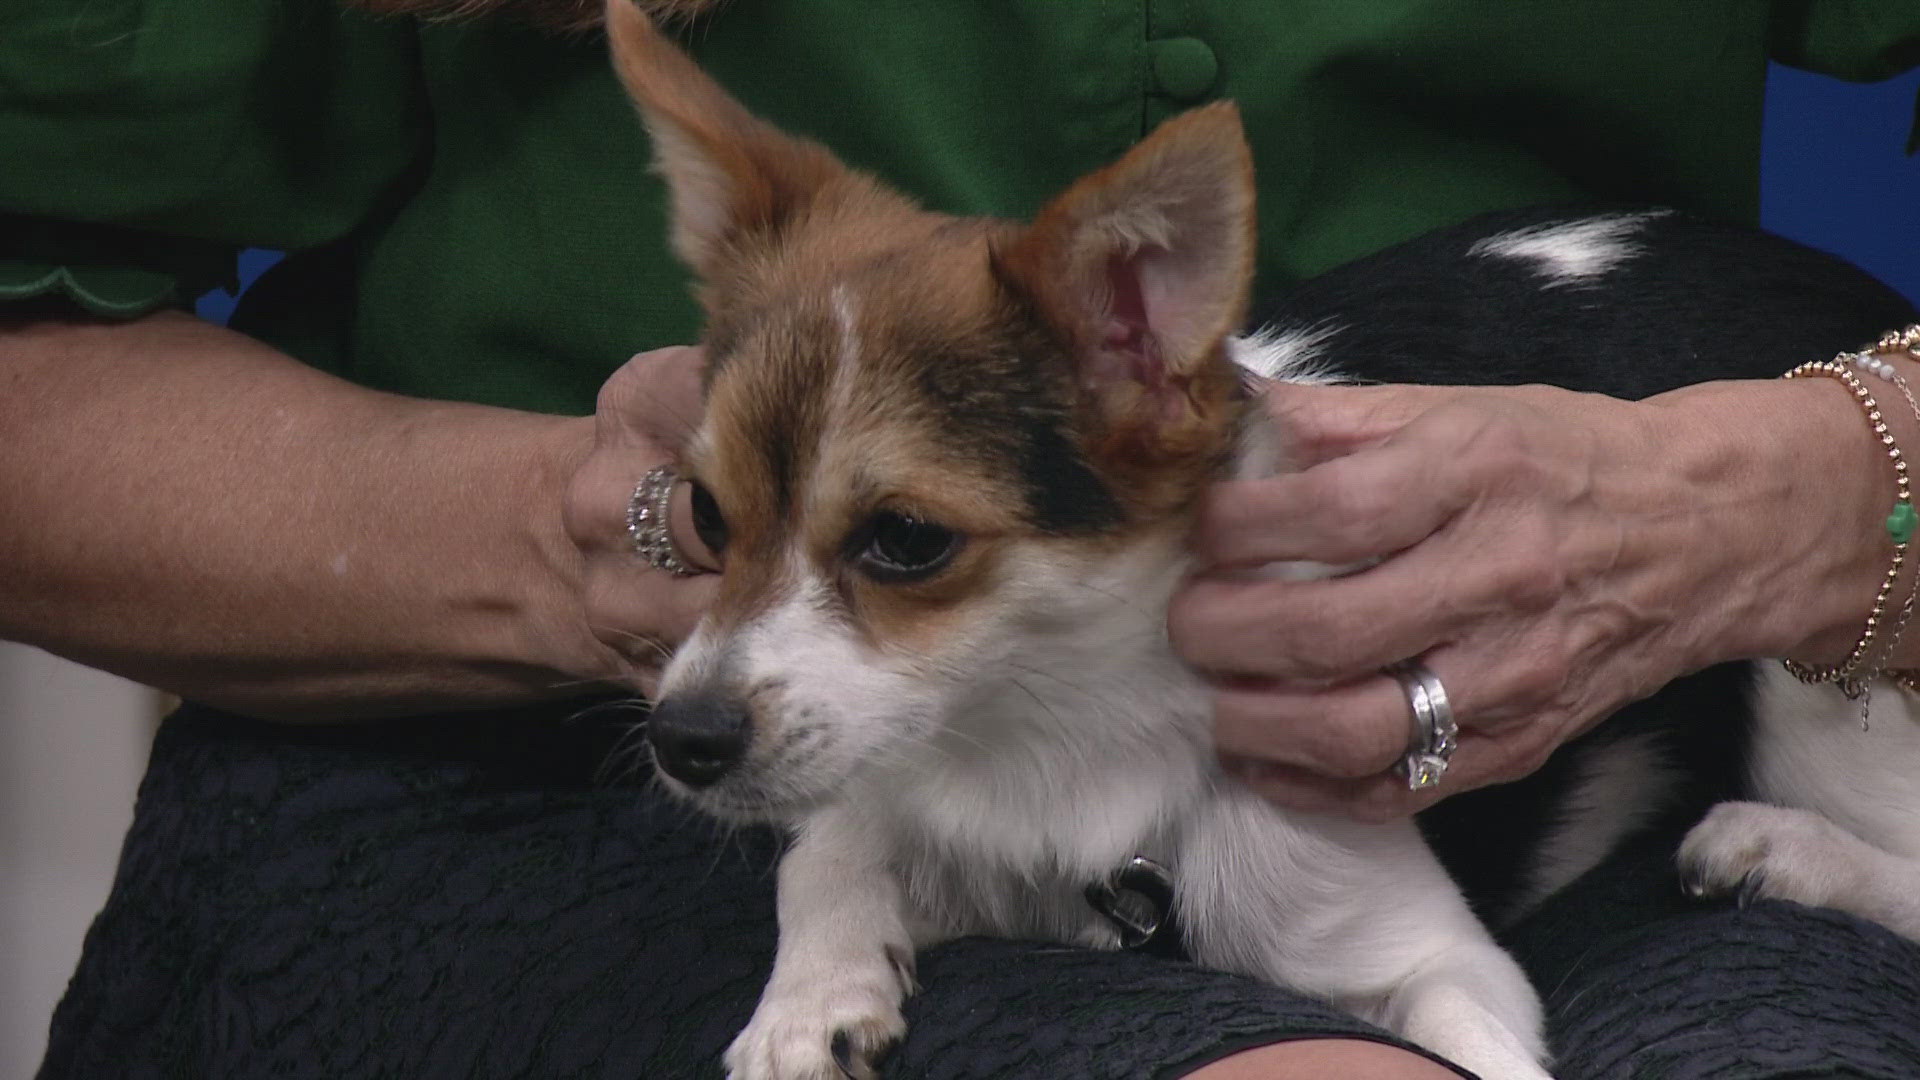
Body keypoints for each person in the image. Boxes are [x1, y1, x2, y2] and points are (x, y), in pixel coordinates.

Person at [3, 1, 1917, 1076]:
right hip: (496, 786)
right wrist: (544, 530)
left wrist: (1842, 485)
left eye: (900, 549)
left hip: (1644, 727)